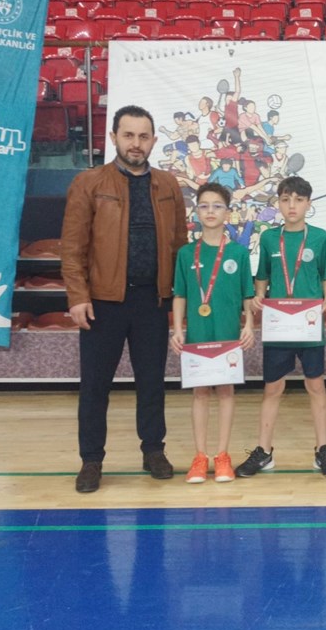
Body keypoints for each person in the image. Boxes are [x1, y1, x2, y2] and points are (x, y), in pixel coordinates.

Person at [61, 105, 188, 493]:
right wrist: (78, 296)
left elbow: (179, 246)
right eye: (129, 135)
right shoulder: (89, 183)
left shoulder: (168, 185)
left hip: (152, 302)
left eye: (143, 136)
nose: (136, 143)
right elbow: (72, 247)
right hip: (103, 303)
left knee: (152, 383)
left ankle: (153, 451)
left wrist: (178, 299)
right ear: (114, 137)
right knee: (94, 386)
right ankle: (91, 460)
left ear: (153, 141)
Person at [236, 176, 326, 477]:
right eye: (285, 199)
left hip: (309, 325)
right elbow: (262, 276)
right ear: (279, 204)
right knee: (273, 388)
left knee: (316, 386)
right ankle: (263, 451)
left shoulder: (319, 237)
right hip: (279, 325)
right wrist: (259, 296)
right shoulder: (270, 238)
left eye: (298, 200)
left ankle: (323, 450)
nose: (292, 205)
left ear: (308, 204)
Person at [170, 183, 255, 484]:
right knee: (200, 392)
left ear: (227, 213)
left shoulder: (238, 253)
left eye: (217, 206)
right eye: (204, 205)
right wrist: (177, 329)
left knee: (226, 391)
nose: (210, 211)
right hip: (197, 333)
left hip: (228, 333)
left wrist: (248, 325)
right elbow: (180, 294)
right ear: (196, 211)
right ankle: (200, 456)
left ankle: (222, 455)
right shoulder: (185, 254)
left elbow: (248, 295)